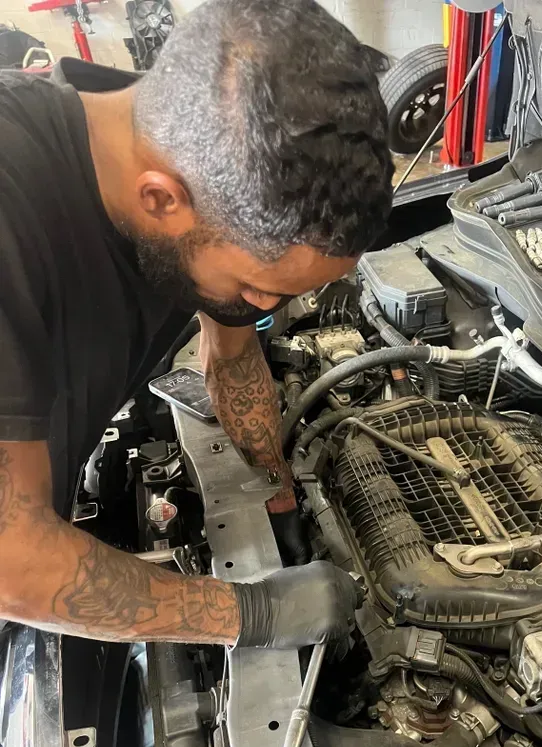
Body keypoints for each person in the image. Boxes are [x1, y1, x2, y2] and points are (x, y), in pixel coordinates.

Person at [0, 0, 393, 649]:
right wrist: (253, 614)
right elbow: (12, 559)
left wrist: (279, 491)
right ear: (161, 198)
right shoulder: (17, 201)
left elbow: (232, 355)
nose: (262, 308)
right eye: (257, 288)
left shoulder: (184, 151)